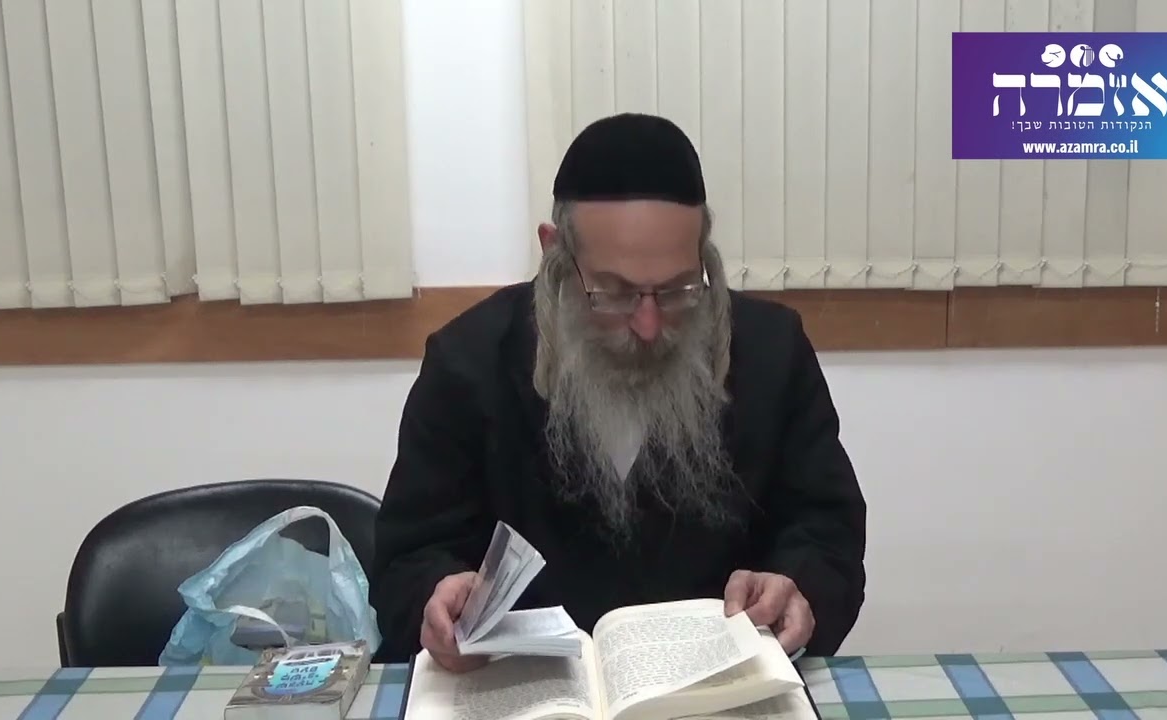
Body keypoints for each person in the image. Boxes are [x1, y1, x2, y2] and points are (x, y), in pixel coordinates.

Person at [370, 112, 867, 672]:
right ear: (554, 252)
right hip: (526, 691)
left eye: (678, 289)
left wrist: (797, 588)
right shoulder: (469, 361)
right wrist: (436, 599)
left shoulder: (772, 350)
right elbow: (408, 558)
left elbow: (827, 531)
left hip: (716, 690)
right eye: (613, 292)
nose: (649, 326)